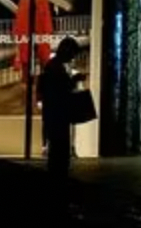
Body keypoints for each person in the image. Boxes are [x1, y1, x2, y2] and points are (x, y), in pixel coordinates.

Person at [38, 36, 82, 177]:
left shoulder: (52, 66)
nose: (73, 57)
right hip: (57, 116)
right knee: (59, 151)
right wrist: (74, 80)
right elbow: (60, 90)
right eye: (72, 54)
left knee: (57, 151)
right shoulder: (56, 68)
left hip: (55, 115)